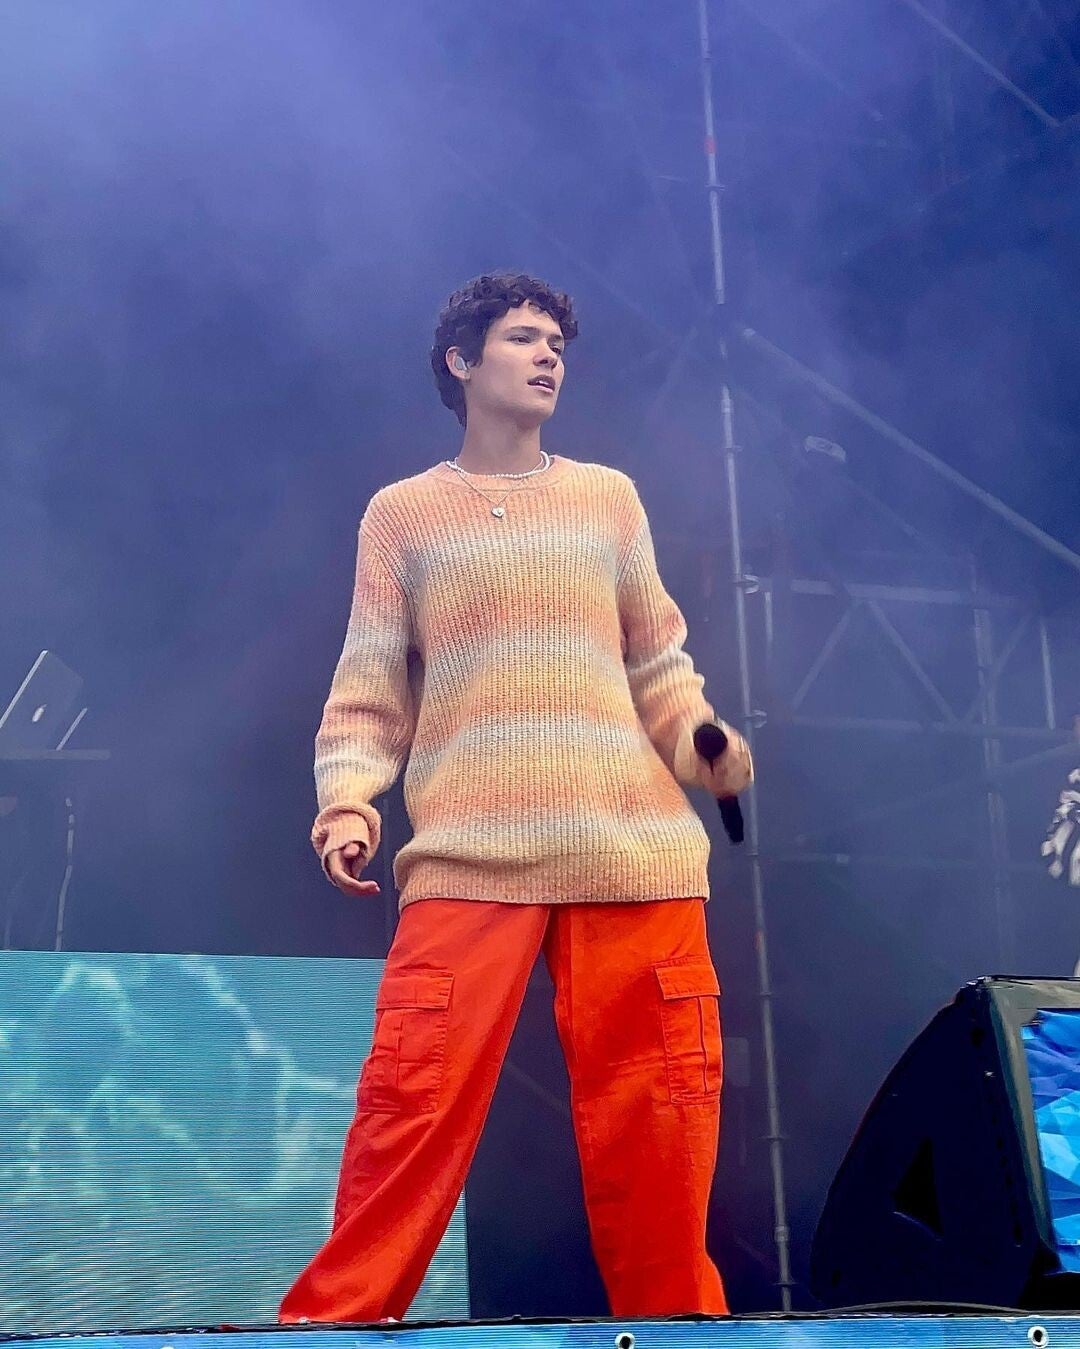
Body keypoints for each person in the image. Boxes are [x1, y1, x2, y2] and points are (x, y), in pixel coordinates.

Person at [279, 273, 753, 1325]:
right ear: (461, 361)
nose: (548, 358)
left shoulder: (608, 497)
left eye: (557, 345)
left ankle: (678, 1332)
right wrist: (348, 799)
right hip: (470, 849)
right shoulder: (402, 515)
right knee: (410, 1102)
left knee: (663, 1125)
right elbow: (368, 687)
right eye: (524, 339)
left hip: (632, 849)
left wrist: (703, 744)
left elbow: (659, 665)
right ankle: (332, 1326)